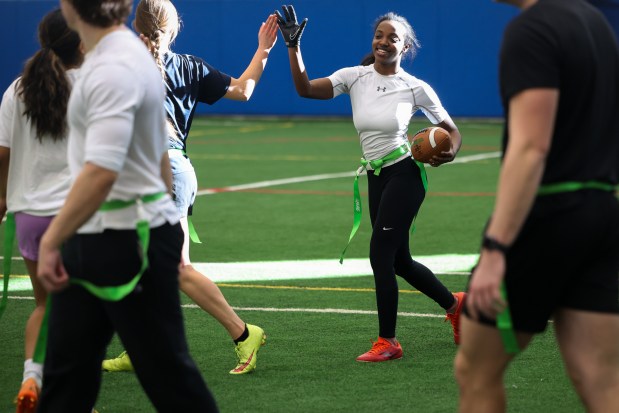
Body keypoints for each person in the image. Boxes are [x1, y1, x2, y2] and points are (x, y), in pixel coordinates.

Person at [36, 0, 218, 411]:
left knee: (169, 377)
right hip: (110, 237)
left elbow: (102, 169)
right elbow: (155, 157)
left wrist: (52, 239)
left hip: (123, 241)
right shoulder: (127, 59)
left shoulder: (113, 67)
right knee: (66, 377)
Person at [276, 5, 466, 362]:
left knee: (380, 254)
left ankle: (388, 341)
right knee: (400, 261)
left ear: (405, 46)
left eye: (393, 38)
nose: (384, 41)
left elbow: (452, 133)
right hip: (376, 176)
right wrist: (293, 46)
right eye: (379, 35)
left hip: (405, 174)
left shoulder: (415, 87)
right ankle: (456, 305)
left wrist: (450, 151)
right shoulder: (355, 76)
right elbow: (305, 89)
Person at [455, 0, 619, 412]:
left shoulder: (531, 29)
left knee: (475, 372)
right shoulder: (595, 23)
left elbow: (531, 147)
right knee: (601, 379)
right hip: (601, 214)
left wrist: (496, 249)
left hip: (546, 218)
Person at [101, 0, 277, 375]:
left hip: (154, 170)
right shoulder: (189, 66)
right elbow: (244, 91)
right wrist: (263, 49)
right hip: (168, 169)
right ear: (174, 28)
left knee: (177, 267)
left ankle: (244, 333)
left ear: (136, 25)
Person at [0, 8, 82, 412]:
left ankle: (32, 378)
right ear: (81, 41)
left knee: (44, 306)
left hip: (29, 218)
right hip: (79, 218)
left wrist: (2, 198)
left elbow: (3, 154)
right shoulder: (92, 86)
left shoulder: (17, 90)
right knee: (82, 313)